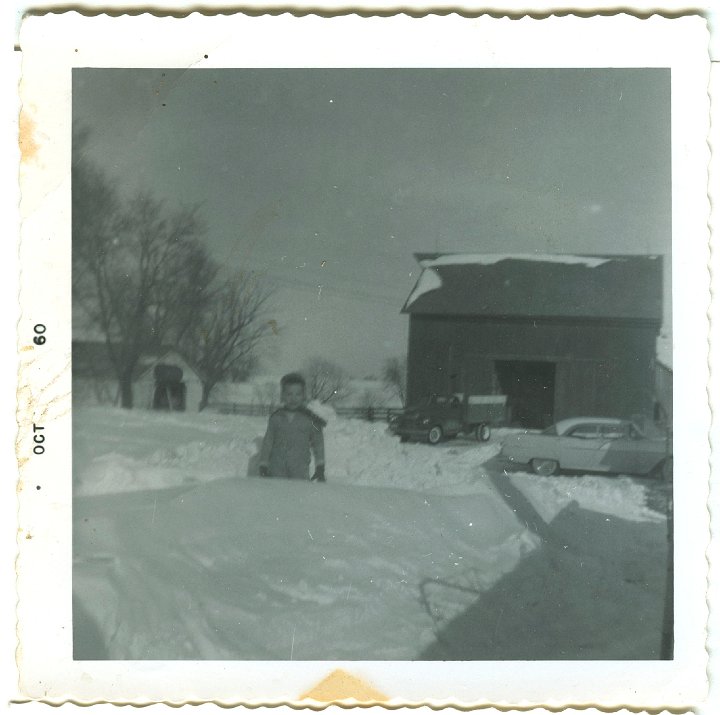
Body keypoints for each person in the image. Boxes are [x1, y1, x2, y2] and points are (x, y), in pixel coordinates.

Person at [258, 372, 326, 482]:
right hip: (277, 469)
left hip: (299, 470)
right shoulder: (276, 418)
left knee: (298, 496)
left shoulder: (311, 420)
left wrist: (320, 467)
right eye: (289, 394)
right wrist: (263, 465)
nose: (293, 398)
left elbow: (318, 443)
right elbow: (268, 442)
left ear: (303, 395)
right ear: (282, 395)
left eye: (298, 394)